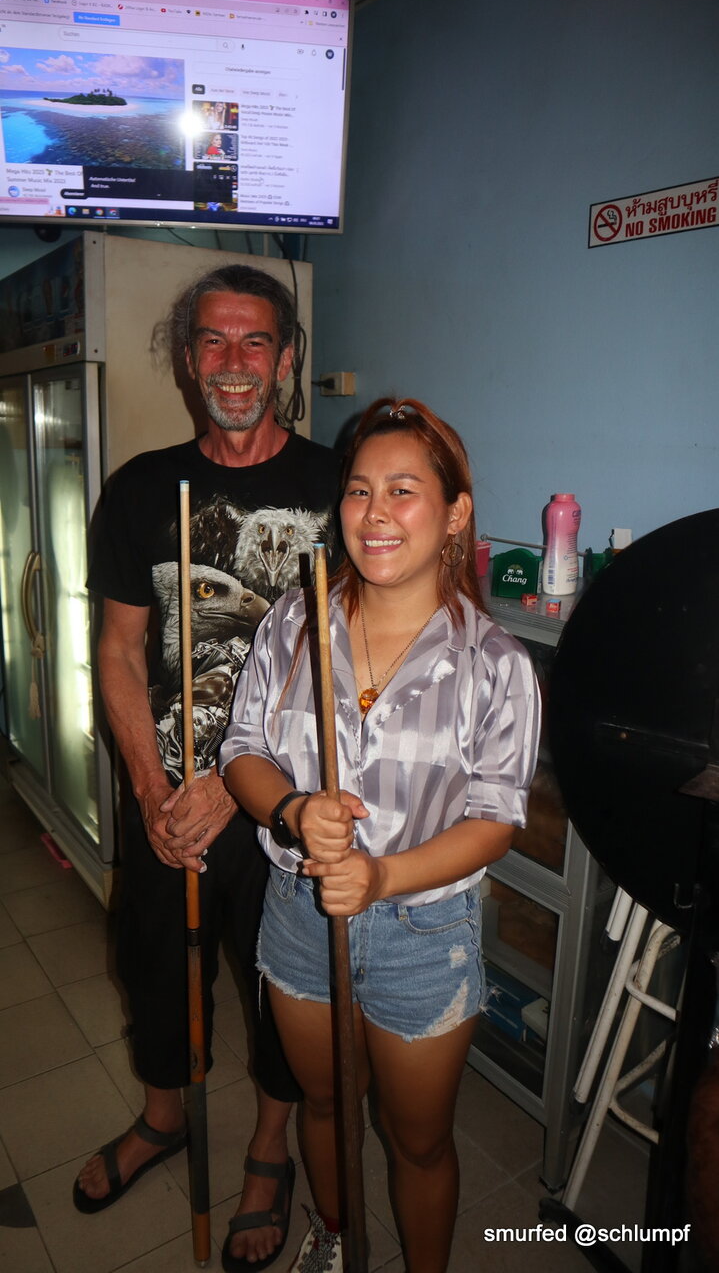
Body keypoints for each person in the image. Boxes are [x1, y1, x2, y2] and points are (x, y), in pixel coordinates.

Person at [218, 397, 541, 1272]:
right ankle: (334, 1233)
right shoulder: (294, 622)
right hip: (297, 915)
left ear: (454, 513)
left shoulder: (494, 665)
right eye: (359, 490)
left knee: (418, 1140)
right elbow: (241, 750)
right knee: (324, 1106)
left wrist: (382, 877)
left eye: (403, 490)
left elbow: (495, 820)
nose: (374, 513)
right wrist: (292, 811)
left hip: (424, 935)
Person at [75, 262, 341, 1273]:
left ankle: (269, 1150)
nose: (234, 363)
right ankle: (163, 1117)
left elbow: (357, 659)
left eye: (255, 341)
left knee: (284, 985)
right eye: (214, 342)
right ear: (188, 361)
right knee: (152, 963)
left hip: (285, 804)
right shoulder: (139, 489)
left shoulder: (336, 488)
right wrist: (152, 792)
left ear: (285, 359)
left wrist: (239, 785)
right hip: (168, 797)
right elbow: (117, 651)